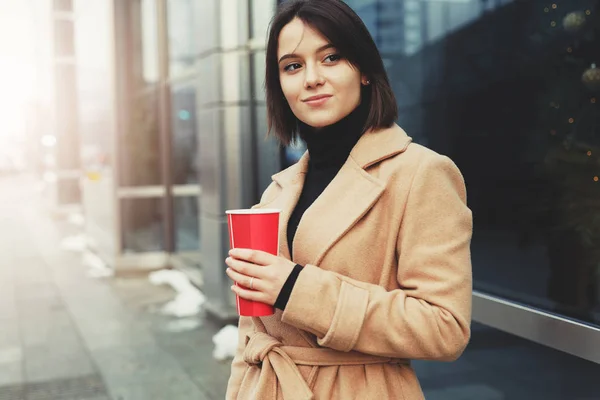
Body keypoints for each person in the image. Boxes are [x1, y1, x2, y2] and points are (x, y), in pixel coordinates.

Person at [224, 1, 473, 399]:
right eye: (292, 66)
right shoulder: (279, 190)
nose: (312, 78)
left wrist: (295, 288)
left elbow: (445, 327)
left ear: (364, 72)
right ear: (280, 86)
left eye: (331, 57)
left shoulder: (420, 173)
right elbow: (251, 337)